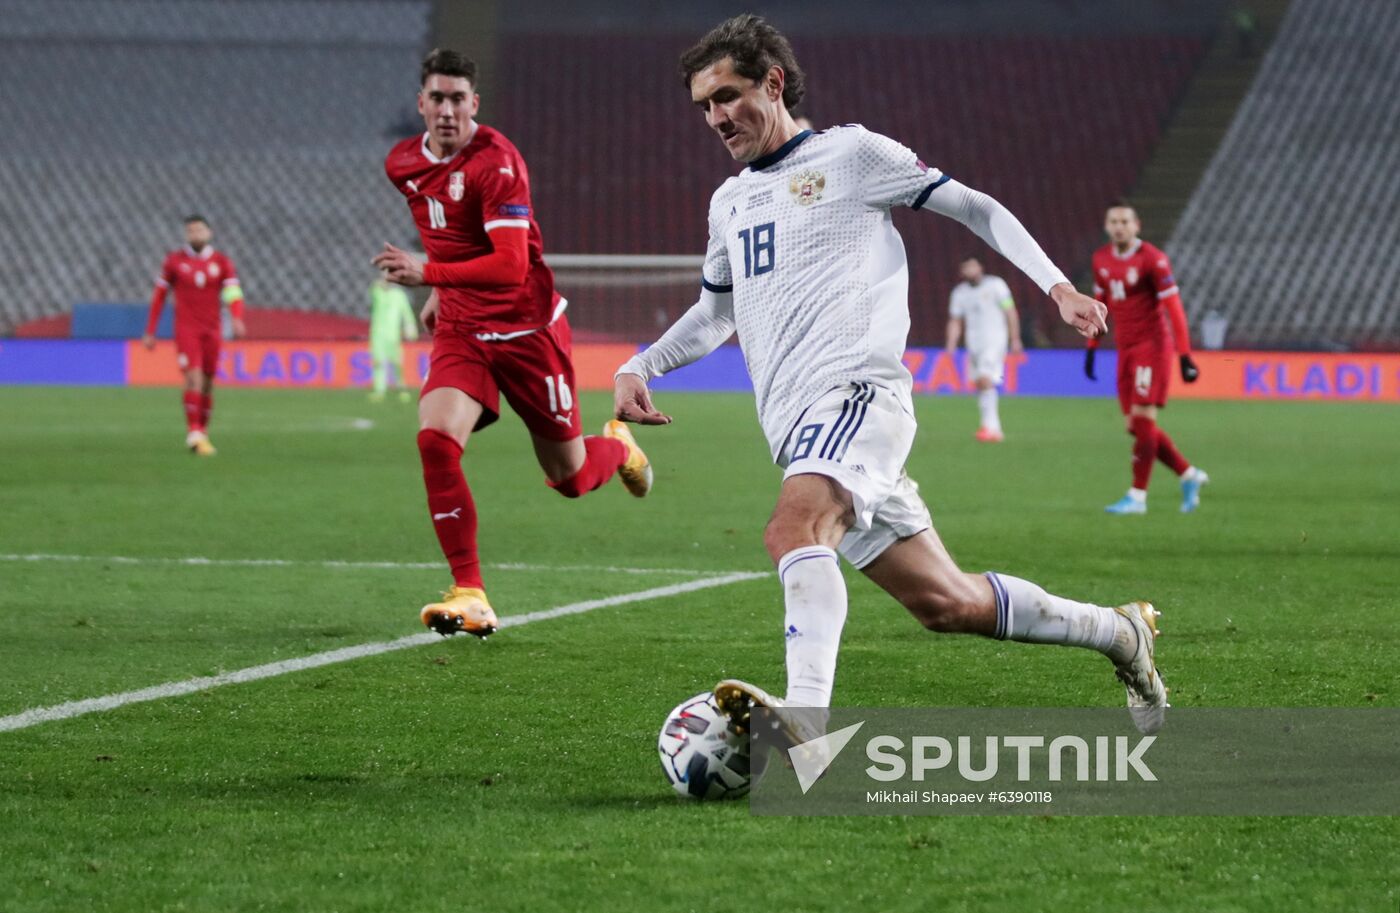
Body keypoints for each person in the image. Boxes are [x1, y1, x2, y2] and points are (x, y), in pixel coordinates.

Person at [613, 15, 1168, 746]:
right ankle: (1119, 633)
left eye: (728, 96)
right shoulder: (730, 202)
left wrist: (1058, 287)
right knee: (946, 602)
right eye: (704, 106)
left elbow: (975, 206)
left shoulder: (851, 154)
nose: (715, 117)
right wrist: (639, 364)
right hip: (800, 427)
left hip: (857, 396)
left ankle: (807, 726)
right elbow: (717, 315)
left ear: (773, 83)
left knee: (793, 527)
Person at [374, 49, 652, 638]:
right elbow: (444, 227)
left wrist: (430, 275)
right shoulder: (401, 163)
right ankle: (470, 591)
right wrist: (442, 292)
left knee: (570, 478)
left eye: (458, 99)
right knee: (434, 440)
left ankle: (620, 450)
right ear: (421, 103)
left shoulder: (498, 164)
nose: (447, 110)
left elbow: (506, 265)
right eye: (437, 98)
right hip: (463, 330)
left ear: (474, 104)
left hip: (528, 331)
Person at [1087, 205, 1208, 514]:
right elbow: (1100, 305)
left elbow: (1174, 308)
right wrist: (1091, 346)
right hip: (1124, 348)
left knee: (1143, 419)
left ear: (1137, 225)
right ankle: (1188, 474)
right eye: (1113, 221)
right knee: (1136, 426)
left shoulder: (1153, 259)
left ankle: (1137, 496)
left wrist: (1185, 355)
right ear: (1106, 225)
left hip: (1151, 347)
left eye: (1125, 221)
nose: (1119, 227)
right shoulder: (1101, 259)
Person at [142, 215, 245, 456]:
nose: (195, 235)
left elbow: (233, 293)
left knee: (208, 383)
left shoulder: (222, 262)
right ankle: (194, 432)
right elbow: (159, 297)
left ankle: (202, 433)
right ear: (186, 235)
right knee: (194, 378)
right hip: (187, 330)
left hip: (213, 330)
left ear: (209, 233)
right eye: (190, 231)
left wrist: (237, 317)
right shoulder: (174, 262)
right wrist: (150, 330)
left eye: (199, 230)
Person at [944, 255, 1021, 441]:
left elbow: (1010, 311)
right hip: (974, 343)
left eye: (972, 265)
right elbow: (955, 320)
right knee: (980, 382)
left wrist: (1015, 338)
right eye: (966, 267)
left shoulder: (996, 286)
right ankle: (990, 427)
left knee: (985, 379)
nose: (970, 270)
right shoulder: (960, 293)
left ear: (980, 267)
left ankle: (992, 428)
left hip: (995, 340)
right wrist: (951, 344)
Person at [367, 271, 419, 402]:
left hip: (393, 334)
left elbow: (406, 312)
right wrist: (380, 283)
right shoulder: (377, 291)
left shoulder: (399, 295)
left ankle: (401, 388)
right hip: (377, 333)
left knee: (397, 363)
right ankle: (379, 390)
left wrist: (410, 326)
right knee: (378, 361)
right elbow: (373, 292)